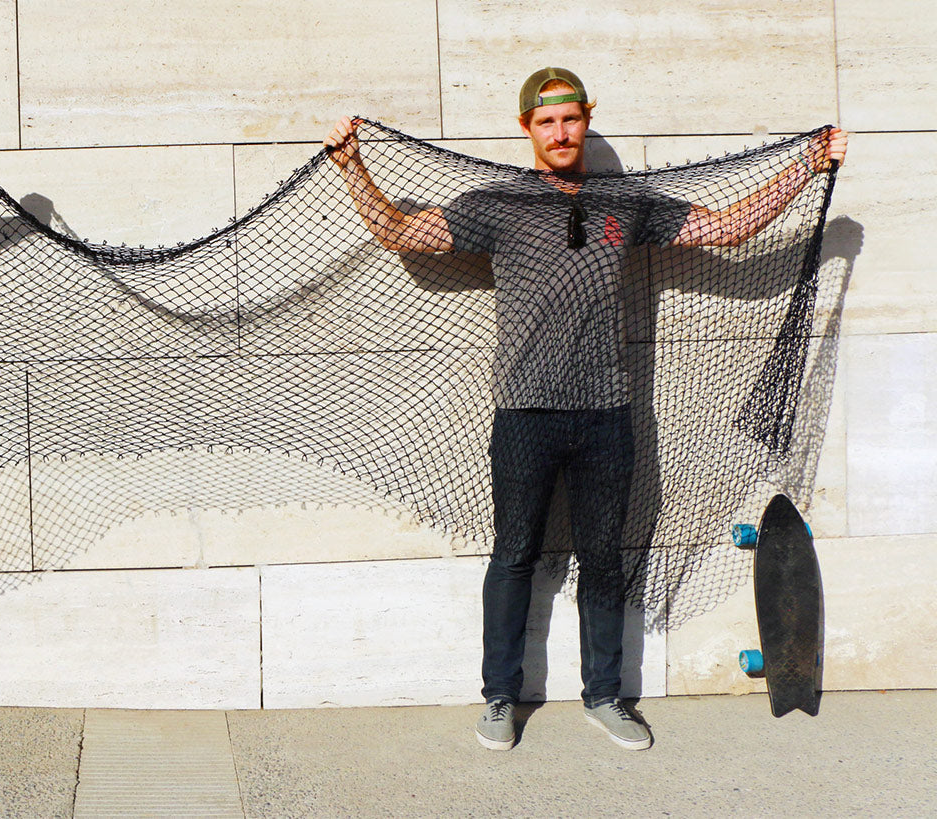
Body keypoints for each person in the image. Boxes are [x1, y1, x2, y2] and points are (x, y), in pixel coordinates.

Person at [324, 67, 847, 751]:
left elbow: (729, 227)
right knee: (513, 555)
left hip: (607, 414)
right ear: (526, 130)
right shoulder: (498, 202)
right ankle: (500, 698)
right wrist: (351, 164)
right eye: (547, 122)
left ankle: (605, 695)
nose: (561, 132)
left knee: (604, 559)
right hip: (523, 413)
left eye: (571, 119)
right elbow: (399, 234)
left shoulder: (623, 203)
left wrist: (807, 165)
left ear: (586, 121)